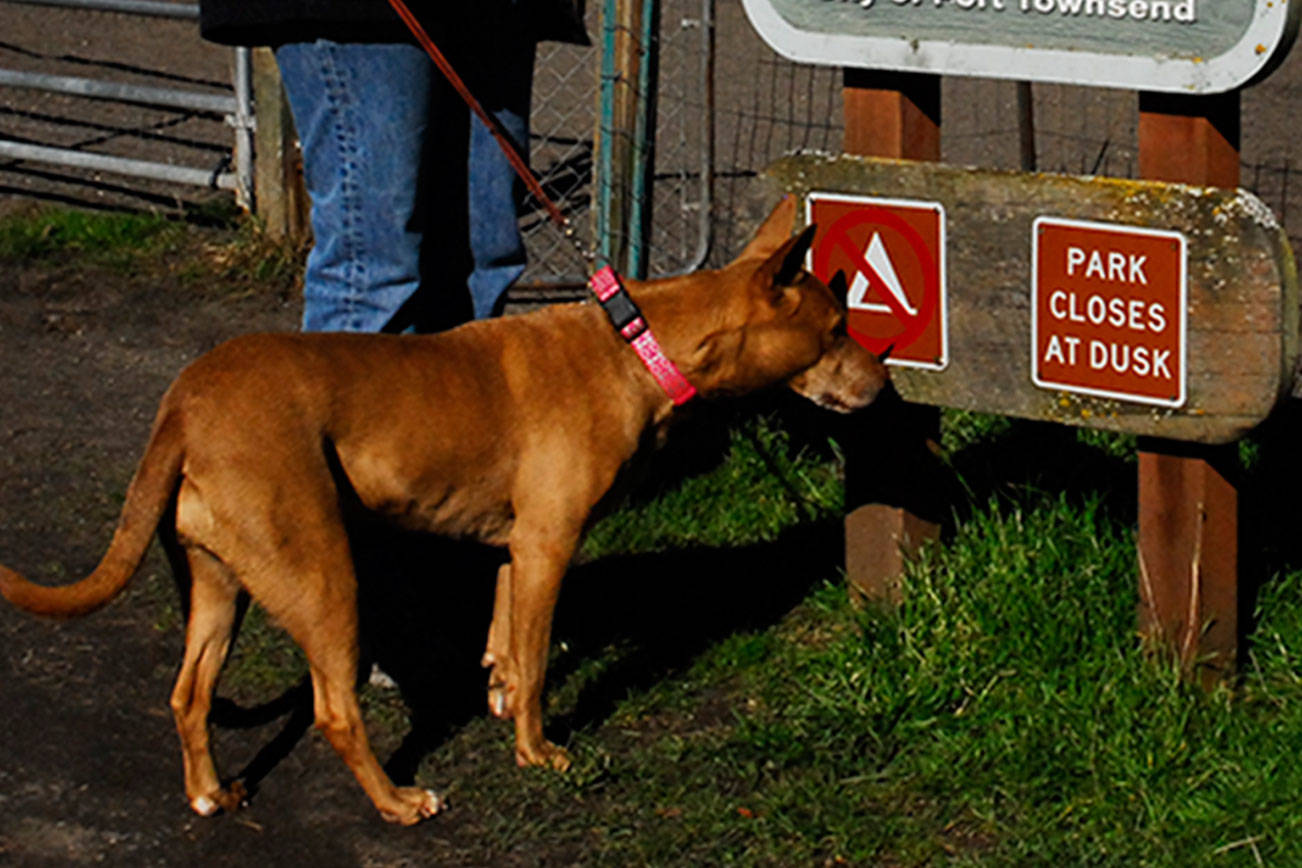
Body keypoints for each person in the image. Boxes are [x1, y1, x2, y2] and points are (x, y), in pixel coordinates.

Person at [199, 2, 587, 332]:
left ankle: (451, 420)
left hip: (498, 11)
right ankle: (351, 417)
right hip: (360, 15)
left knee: (482, 260)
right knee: (374, 270)